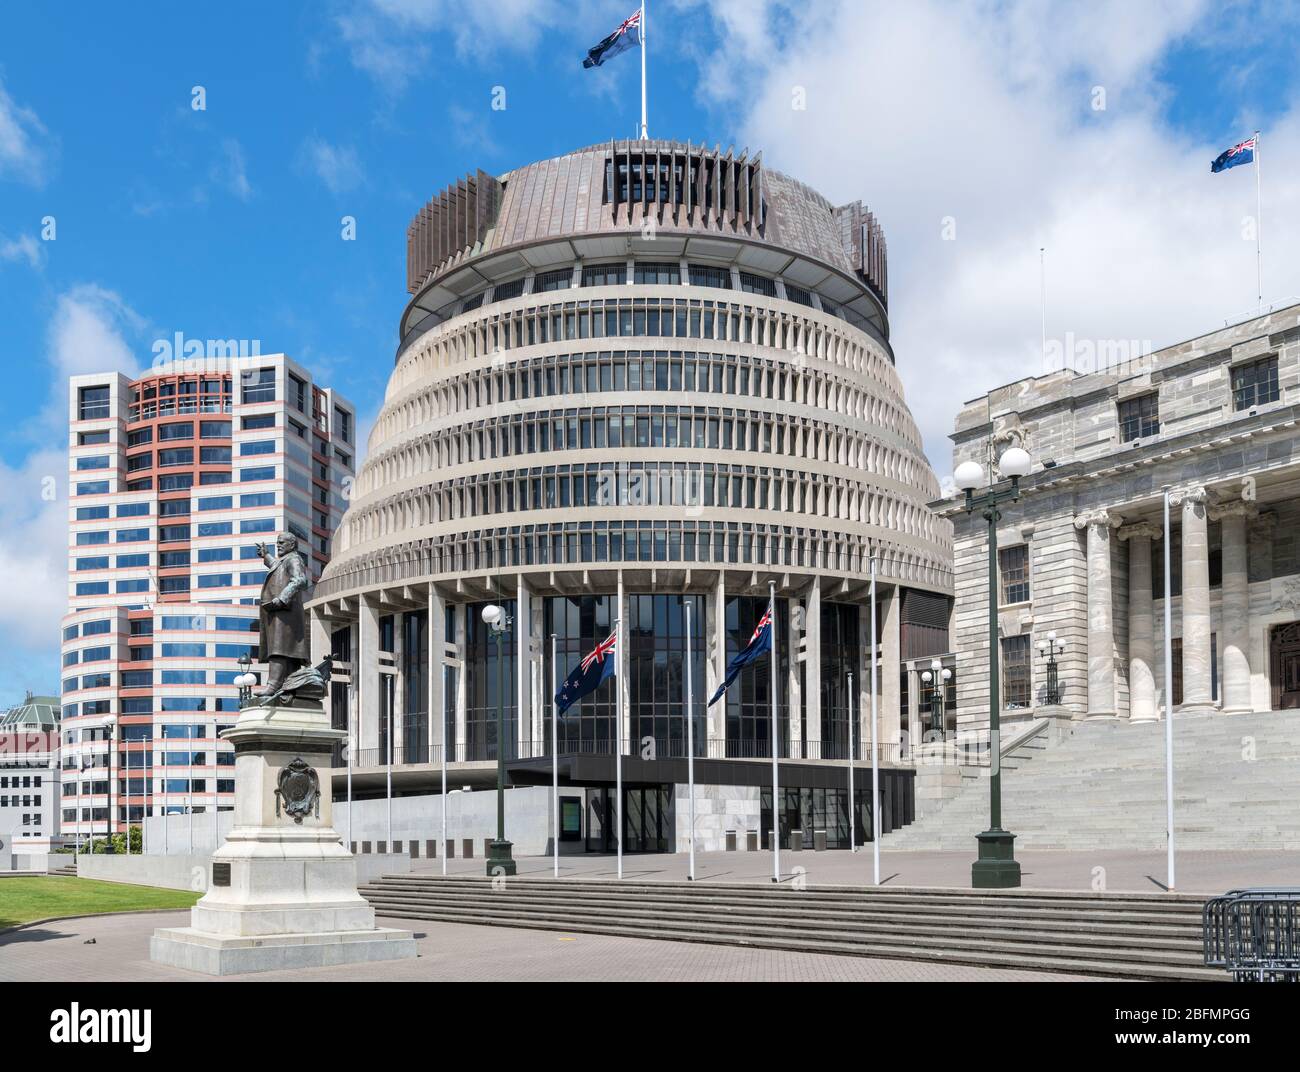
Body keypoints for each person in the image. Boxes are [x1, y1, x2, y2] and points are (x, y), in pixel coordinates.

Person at [255, 532, 311, 697]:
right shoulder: (285, 560)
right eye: (277, 542)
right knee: (283, 648)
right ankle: (289, 684)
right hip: (279, 611)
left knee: (279, 648)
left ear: (292, 545)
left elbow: (300, 580)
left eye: (281, 542)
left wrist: (282, 598)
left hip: (285, 611)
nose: (278, 545)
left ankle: (274, 684)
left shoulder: (294, 559)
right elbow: (276, 566)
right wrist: (266, 556)